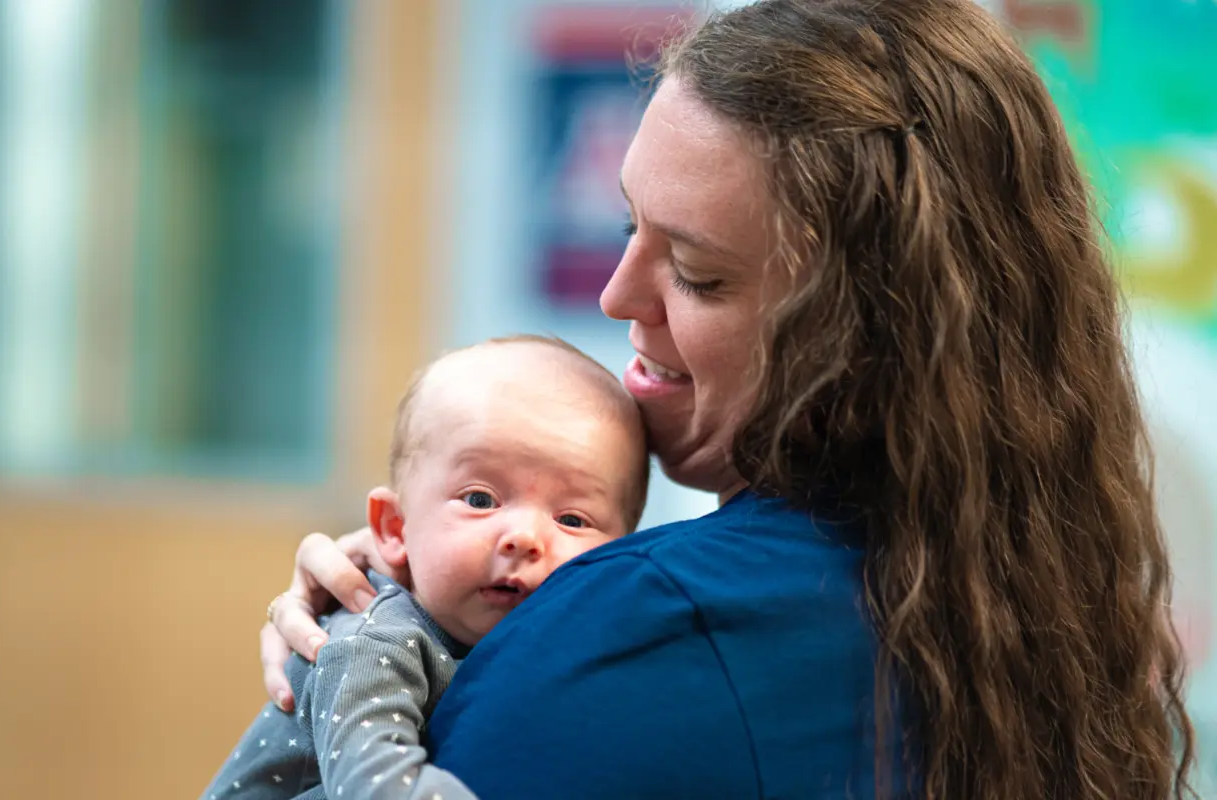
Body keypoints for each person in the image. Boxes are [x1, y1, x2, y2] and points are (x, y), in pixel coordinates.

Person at [259, 1, 1197, 797]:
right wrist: (399, 619)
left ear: (867, 335)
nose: (617, 295)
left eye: (699, 276)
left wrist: (354, 669)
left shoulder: (644, 626)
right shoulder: (1033, 618)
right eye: (631, 224)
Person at [204, 335, 648, 799]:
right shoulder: (376, 642)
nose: (524, 537)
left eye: (572, 519)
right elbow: (379, 789)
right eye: (480, 500)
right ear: (396, 529)